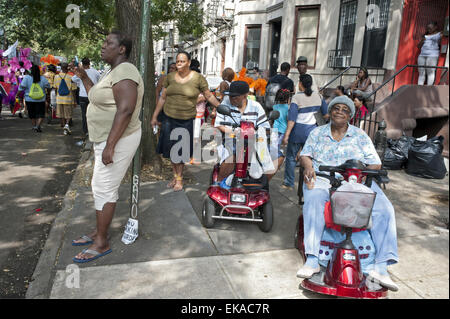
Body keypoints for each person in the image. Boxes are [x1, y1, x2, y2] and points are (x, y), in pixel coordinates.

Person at [296, 95, 399, 292]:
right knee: (315, 200)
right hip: (324, 177)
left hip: (355, 179)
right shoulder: (317, 133)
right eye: (336, 108)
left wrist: (363, 175)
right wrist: (308, 166)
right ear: (331, 112)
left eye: (345, 109)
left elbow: (375, 162)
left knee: (384, 208)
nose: (340, 112)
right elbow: (305, 154)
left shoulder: (360, 135)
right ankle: (313, 259)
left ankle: (381, 266)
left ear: (350, 115)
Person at [71, 30, 144, 263]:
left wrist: (110, 146)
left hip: (119, 139)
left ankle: (101, 242)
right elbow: (96, 96)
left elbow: (126, 109)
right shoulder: (111, 71)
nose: (103, 46)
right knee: (100, 185)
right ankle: (99, 231)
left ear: (122, 49)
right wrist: (83, 77)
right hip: (105, 138)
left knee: (104, 187)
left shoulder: (126, 71)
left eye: (108, 43)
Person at [151, 51, 220, 191]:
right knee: (171, 151)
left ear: (188, 62)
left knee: (181, 152)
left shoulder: (198, 78)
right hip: (169, 118)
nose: (179, 64)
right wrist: (154, 116)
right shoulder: (169, 77)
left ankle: (179, 179)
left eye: (182, 61)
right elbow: (163, 97)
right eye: (177, 61)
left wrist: (220, 107)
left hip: (186, 119)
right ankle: (175, 177)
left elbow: (208, 95)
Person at [214, 81, 274, 187]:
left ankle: (259, 186)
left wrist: (256, 132)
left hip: (252, 140)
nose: (232, 99)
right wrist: (233, 131)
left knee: (276, 157)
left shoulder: (256, 107)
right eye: (231, 96)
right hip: (229, 139)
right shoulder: (225, 103)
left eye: (236, 97)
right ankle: (218, 184)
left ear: (245, 95)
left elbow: (265, 127)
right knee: (233, 156)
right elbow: (219, 125)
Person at [282, 74, 328, 190]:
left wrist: (286, 135)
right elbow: (326, 114)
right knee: (310, 159)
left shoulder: (296, 98)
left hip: (297, 133)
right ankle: (310, 182)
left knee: (291, 158)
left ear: (300, 84)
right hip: (312, 133)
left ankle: (289, 183)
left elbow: (292, 119)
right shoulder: (319, 97)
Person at [72, 57, 101, 138]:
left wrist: (79, 79)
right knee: (93, 113)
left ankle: (85, 131)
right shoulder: (95, 72)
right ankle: (93, 130)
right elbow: (99, 81)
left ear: (82, 63)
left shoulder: (81, 72)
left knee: (84, 114)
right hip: (93, 95)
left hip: (82, 96)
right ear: (89, 63)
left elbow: (73, 79)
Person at [267, 88, 291, 180]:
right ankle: (279, 162)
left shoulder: (275, 106)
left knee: (274, 146)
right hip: (284, 129)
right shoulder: (288, 108)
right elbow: (288, 119)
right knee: (282, 147)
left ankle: (273, 161)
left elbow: (273, 119)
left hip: (275, 129)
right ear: (287, 98)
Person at [18, 64, 50, 132]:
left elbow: (21, 87)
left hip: (29, 99)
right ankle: (38, 126)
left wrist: (17, 94)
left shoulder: (27, 78)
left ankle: (35, 126)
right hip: (41, 99)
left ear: (31, 71)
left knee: (32, 114)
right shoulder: (43, 78)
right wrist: (48, 94)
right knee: (41, 113)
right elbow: (48, 86)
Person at [53, 62, 77, 135]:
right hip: (68, 99)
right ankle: (67, 125)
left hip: (59, 99)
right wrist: (75, 100)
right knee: (68, 114)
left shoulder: (56, 77)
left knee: (61, 114)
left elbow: (55, 88)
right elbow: (73, 90)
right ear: (67, 68)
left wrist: (57, 96)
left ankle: (64, 127)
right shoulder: (71, 77)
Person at [417, 21, 441, 85]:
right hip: (422, 55)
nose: (429, 30)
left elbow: (442, 41)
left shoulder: (439, 34)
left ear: (435, 27)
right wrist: (422, 41)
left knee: (430, 72)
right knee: (421, 73)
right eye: (428, 28)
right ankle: (419, 88)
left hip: (432, 55)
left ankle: (429, 88)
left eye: (430, 28)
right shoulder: (425, 35)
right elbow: (418, 46)